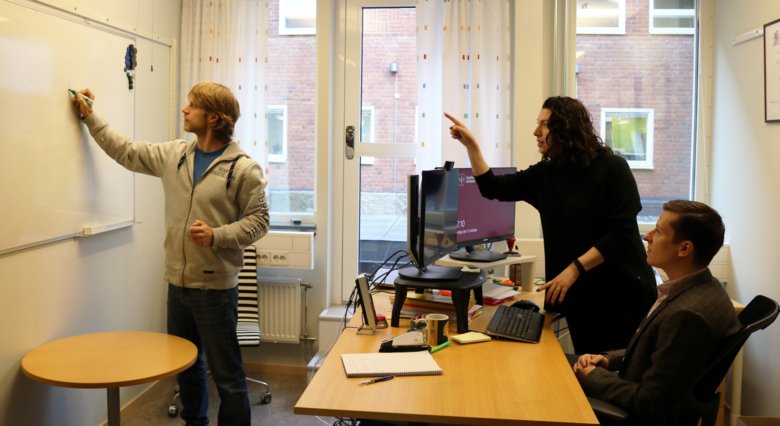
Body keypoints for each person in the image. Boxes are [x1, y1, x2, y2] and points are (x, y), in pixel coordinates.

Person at [72, 82, 269, 426]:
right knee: (188, 371)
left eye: (191, 105)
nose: (184, 109)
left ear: (212, 117)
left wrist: (217, 235)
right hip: (177, 287)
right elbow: (126, 151)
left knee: (229, 380)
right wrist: (91, 117)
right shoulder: (175, 155)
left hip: (216, 291)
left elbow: (260, 222)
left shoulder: (243, 168)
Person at [445, 96, 657, 355]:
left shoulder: (613, 168)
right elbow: (492, 187)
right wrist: (472, 147)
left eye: (544, 125)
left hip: (621, 293)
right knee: (587, 367)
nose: (536, 132)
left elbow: (621, 234)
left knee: (614, 375)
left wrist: (575, 269)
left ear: (567, 128)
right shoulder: (547, 174)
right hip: (580, 296)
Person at [573, 200, 739, 424]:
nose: (647, 236)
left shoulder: (687, 315)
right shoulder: (705, 288)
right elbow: (658, 350)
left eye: (658, 231)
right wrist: (607, 360)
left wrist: (593, 377)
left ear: (684, 249)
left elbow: (651, 403)